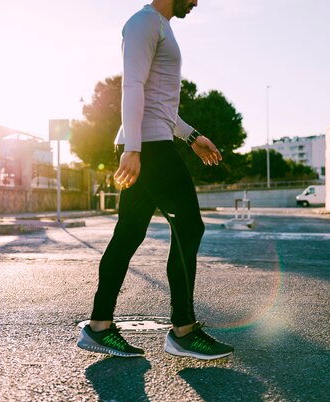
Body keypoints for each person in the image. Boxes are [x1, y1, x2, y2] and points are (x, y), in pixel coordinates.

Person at [77, 0, 233, 360]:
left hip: (149, 141)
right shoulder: (144, 23)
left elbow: (161, 104)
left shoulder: (160, 25)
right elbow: (132, 86)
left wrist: (193, 137)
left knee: (129, 233)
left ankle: (99, 327)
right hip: (148, 147)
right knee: (190, 228)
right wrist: (134, 149)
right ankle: (183, 331)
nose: (196, 2)